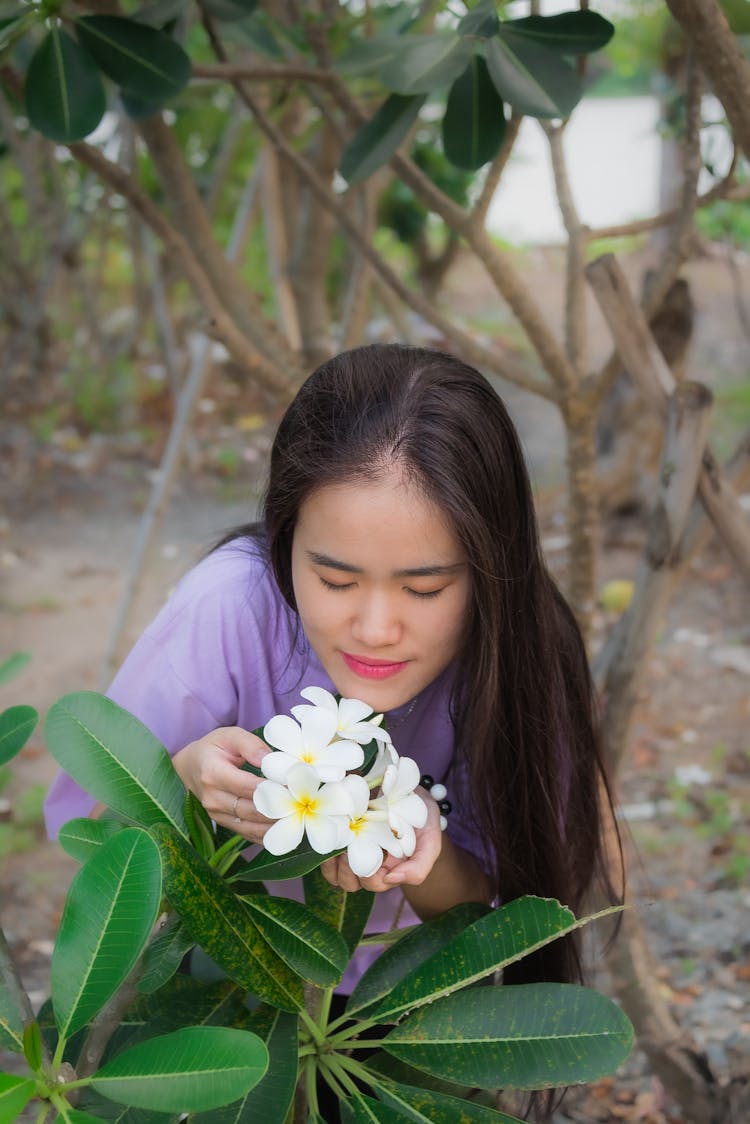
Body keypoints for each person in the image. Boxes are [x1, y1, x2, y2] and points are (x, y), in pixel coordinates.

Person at [45, 343, 621, 997]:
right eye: (335, 579)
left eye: (425, 589)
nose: (376, 629)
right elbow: (94, 844)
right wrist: (175, 782)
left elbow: (500, 913)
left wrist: (412, 852)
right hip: (228, 986)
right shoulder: (229, 608)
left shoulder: (523, 645)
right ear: (285, 539)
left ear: (491, 567)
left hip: (411, 998)